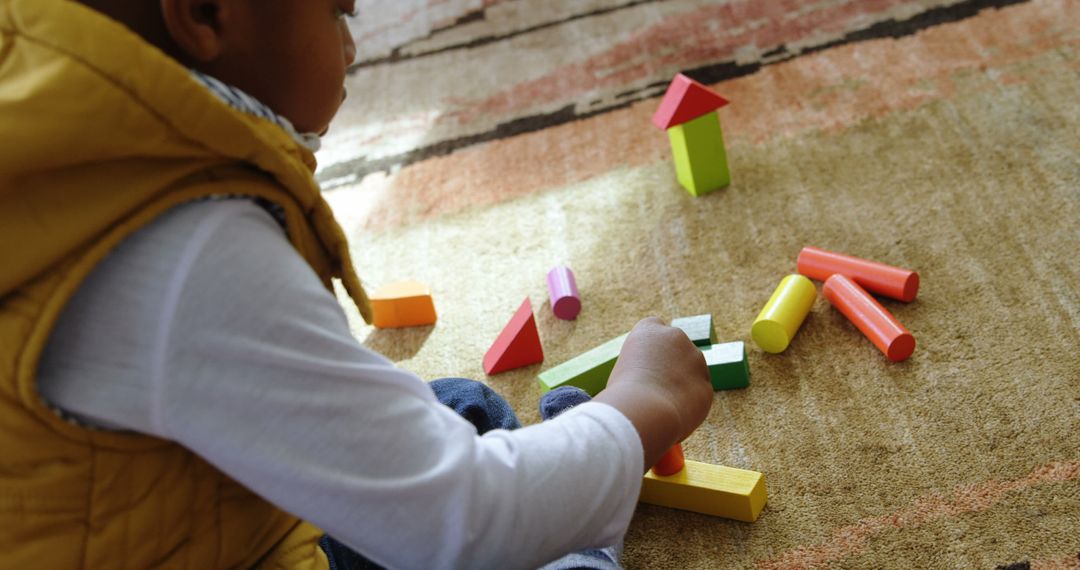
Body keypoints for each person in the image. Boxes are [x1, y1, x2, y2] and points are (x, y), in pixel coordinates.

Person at [0, 0, 714, 568]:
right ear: (208, 13)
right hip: (248, 549)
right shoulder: (192, 246)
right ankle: (579, 532)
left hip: (184, 518)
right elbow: (460, 524)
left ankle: (571, 481)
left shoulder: (52, 123)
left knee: (461, 406)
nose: (352, 47)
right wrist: (645, 406)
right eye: (339, 11)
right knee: (504, 515)